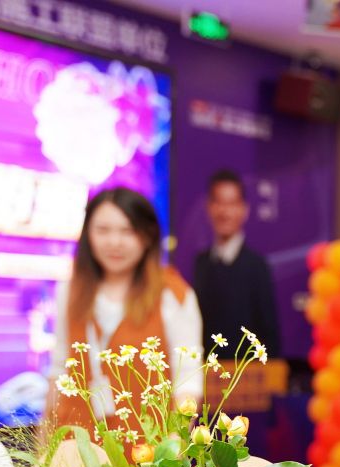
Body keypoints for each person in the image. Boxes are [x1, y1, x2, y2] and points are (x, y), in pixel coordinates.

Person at [46, 188, 202, 435]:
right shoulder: (69, 290)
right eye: (103, 230)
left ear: (148, 236)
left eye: (127, 231)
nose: (114, 242)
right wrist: (46, 444)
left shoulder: (173, 294)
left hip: (147, 447)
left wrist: (173, 443)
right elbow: (58, 369)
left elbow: (188, 379)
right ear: (88, 234)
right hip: (76, 445)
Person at [192, 169, 282, 357]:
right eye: (219, 202)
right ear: (209, 208)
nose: (224, 212)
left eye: (232, 204)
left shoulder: (257, 266)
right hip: (206, 371)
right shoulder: (201, 264)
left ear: (244, 210)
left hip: (246, 371)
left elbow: (269, 335)